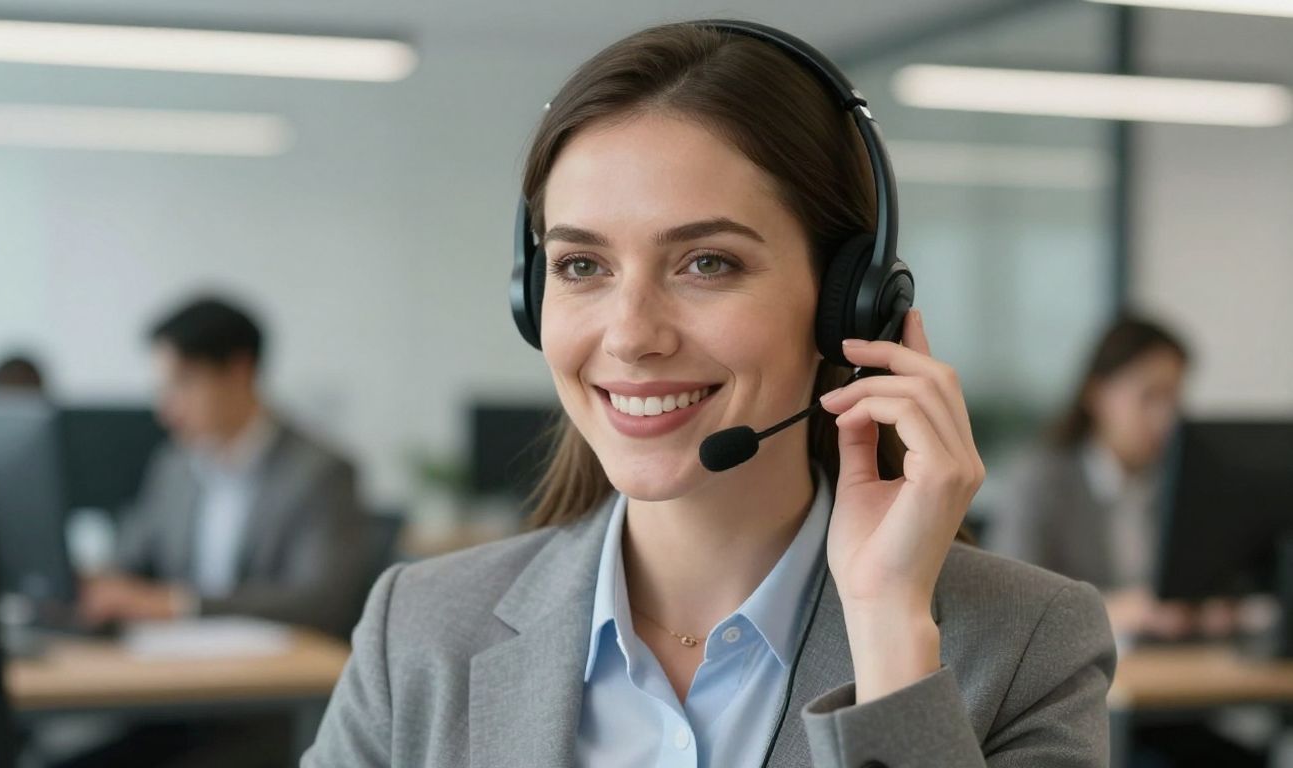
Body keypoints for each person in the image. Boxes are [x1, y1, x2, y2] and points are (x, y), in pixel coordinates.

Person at [306, 21, 1114, 767]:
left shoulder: (1026, 643)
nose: (630, 335)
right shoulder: (419, 629)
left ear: (847, 302)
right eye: (581, 266)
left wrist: (889, 639)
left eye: (708, 264)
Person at [78, 296, 368, 639]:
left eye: (183, 383)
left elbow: (320, 602)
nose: (166, 410)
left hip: (273, 677)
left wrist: (181, 605)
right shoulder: (175, 465)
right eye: (163, 389)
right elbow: (130, 556)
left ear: (238, 371)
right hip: (173, 661)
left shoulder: (321, 472)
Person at [988, 315, 1211, 638]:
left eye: (1173, 398)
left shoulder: (1180, 484)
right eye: (1149, 396)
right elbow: (1009, 604)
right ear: (1097, 395)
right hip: (1074, 666)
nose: (1166, 418)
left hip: (1167, 665)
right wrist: (1121, 609)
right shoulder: (1040, 480)